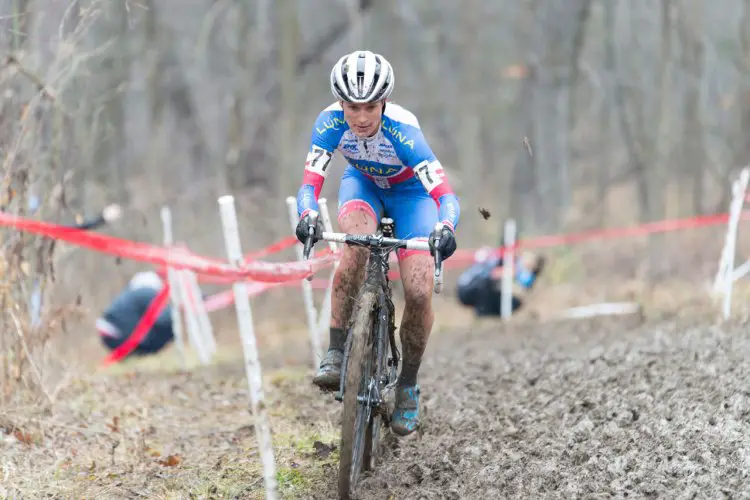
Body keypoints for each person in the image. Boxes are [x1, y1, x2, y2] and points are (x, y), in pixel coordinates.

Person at [294, 50, 460, 436]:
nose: (362, 117)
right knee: (354, 248)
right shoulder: (330, 123)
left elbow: (446, 196)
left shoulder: (404, 132)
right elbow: (308, 185)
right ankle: (336, 351)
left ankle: (407, 384)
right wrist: (307, 216)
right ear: (341, 104)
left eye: (370, 106)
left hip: (412, 196)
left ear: (384, 102)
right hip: (363, 185)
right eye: (353, 107)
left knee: (418, 291)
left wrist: (447, 226)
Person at [97, 271, 174, 356]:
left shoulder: (132, 294)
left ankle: (136, 355)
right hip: (119, 334)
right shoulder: (147, 293)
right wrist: (177, 310)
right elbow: (162, 319)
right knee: (169, 327)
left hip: (109, 333)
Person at [456, 247, 546, 316]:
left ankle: (485, 313)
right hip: (469, 287)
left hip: (478, 286)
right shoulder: (508, 258)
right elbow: (493, 273)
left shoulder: (525, 275)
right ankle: (482, 311)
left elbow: (522, 289)